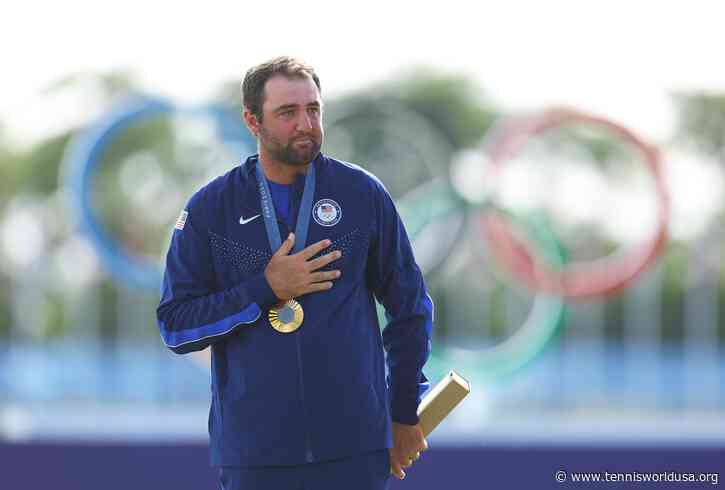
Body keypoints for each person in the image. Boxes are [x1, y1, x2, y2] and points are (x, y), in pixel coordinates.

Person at [157, 56, 433, 490]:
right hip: (255, 455)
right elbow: (175, 327)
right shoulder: (211, 209)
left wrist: (403, 411)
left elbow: (410, 310)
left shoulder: (362, 195)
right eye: (287, 113)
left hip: (354, 448)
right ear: (253, 121)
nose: (306, 124)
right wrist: (265, 289)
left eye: (313, 109)